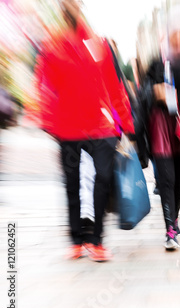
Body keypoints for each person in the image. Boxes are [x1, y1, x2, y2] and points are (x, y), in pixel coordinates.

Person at [33, 0, 135, 261]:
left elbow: (114, 86)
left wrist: (125, 123)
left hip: (102, 128)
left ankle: (96, 240)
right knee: (72, 184)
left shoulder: (99, 44)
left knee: (102, 180)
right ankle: (77, 239)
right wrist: (48, 121)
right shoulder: (52, 46)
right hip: (68, 129)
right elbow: (44, 86)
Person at [144, 6, 180, 250]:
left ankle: (175, 217)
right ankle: (170, 230)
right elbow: (143, 91)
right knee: (167, 179)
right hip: (162, 126)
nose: (178, 37)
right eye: (174, 32)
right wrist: (154, 91)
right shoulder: (157, 61)